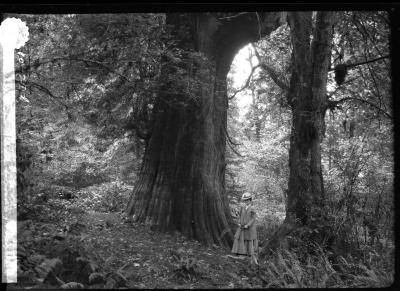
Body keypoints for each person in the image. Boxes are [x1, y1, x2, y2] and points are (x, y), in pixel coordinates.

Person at [231, 192, 259, 266]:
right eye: (245, 200)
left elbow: (253, 218)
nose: (246, 202)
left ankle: (249, 253)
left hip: (249, 228)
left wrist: (248, 225)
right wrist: (239, 222)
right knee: (240, 238)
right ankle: (241, 252)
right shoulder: (242, 208)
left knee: (248, 239)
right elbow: (240, 216)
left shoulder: (252, 208)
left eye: (247, 200)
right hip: (242, 226)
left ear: (250, 200)